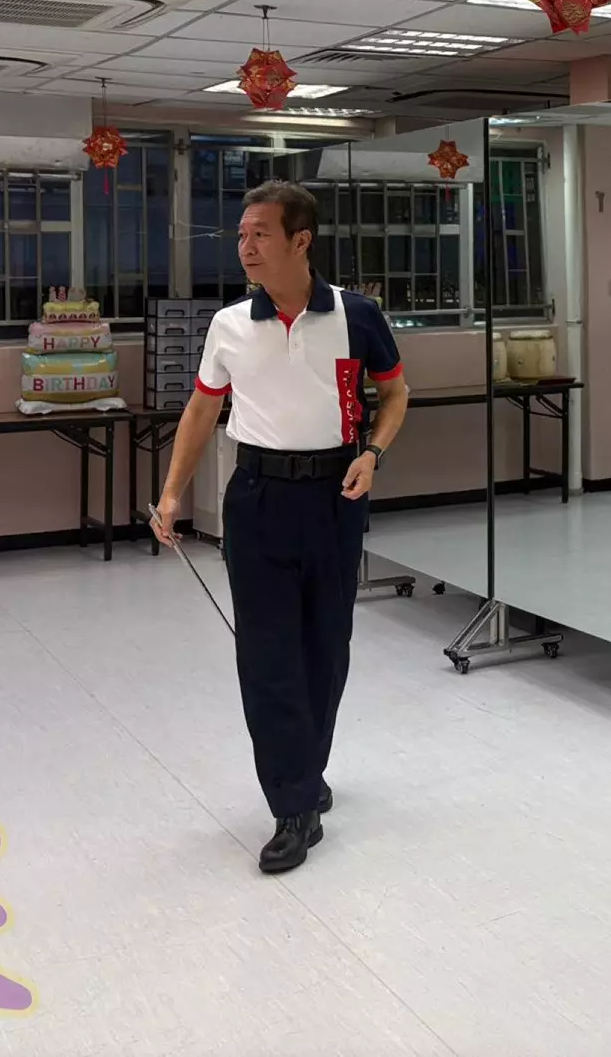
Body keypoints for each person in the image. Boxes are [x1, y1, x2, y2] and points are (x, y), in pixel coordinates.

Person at [149, 181, 409, 874]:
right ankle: (293, 805)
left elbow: (395, 392)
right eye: (241, 235)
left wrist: (374, 454)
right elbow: (202, 410)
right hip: (257, 497)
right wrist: (172, 493)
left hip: (335, 496)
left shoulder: (357, 316)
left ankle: (306, 768)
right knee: (266, 655)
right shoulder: (230, 324)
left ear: (301, 241)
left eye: (260, 233)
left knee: (326, 647)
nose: (246, 247)